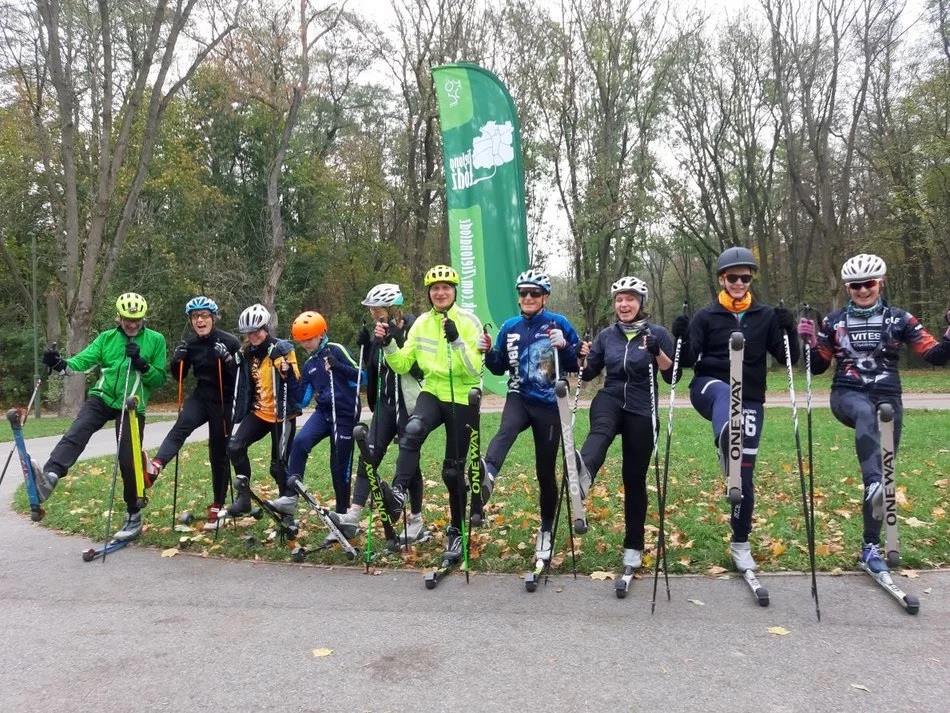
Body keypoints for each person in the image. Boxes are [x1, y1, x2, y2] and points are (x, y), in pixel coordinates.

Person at [797, 254, 950, 574]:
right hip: (847, 396)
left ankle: (870, 548)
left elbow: (934, 356)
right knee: (874, 457)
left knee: (885, 472)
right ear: (848, 288)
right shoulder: (834, 321)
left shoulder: (900, 319)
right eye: (855, 286)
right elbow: (818, 365)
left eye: (868, 284)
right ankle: (875, 485)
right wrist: (808, 342)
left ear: (880, 283)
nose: (862, 290)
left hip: (889, 399)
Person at [675, 247, 799, 573]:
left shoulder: (765, 315)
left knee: (742, 479)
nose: (740, 283)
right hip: (709, 388)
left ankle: (740, 543)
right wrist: (681, 334)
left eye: (746, 277)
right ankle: (724, 443)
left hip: (751, 398)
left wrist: (791, 330)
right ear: (722, 279)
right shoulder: (706, 315)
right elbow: (686, 359)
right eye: (733, 277)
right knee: (726, 393)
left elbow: (789, 360)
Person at [35, 292, 167, 540]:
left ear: (143, 318)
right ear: (119, 317)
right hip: (103, 398)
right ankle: (50, 476)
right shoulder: (106, 339)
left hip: (131, 403)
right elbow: (82, 361)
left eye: (137, 319)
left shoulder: (155, 340)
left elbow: (159, 378)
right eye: (127, 318)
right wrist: (60, 364)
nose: (132, 323)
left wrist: (141, 363)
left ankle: (133, 514)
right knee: (78, 431)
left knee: (129, 460)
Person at [378, 265, 482, 564]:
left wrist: (458, 341)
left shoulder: (468, 321)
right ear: (429, 293)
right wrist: (388, 345)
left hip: (463, 397)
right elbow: (402, 364)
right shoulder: (421, 323)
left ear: (454, 291)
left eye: (446, 287)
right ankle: (398, 495)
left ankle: (456, 529)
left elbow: (474, 369)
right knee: (412, 431)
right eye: (435, 289)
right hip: (433, 391)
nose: (440, 292)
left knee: (452, 471)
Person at [477, 269, 580, 562]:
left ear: (545, 297)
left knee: (545, 472)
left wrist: (566, 346)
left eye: (535, 293)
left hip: (549, 404)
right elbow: (498, 367)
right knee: (506, 429)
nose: (528, 298)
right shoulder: (510, 326)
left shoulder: (558, 322)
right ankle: (488, 475)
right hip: (519, 396)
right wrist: (486, 351)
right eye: (523, 293)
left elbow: (578, 363)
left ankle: (546, 531)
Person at [574, 277, 673, 571]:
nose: (624, 304)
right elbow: (589, 373)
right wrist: (581, 357)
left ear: (641, 303)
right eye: (619, 299)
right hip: (611, 396)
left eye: (630, 299)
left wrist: (657, 351)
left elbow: (672, 376)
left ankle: (633, 546)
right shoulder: (607, 335)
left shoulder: (658, 333)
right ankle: (584, 472)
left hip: (643, 404)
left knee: (633, 478)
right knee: (601, 429)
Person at [331, 284, 427, 543]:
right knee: (369, 454)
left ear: (392, 308)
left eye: (377, 309)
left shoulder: (412, 327)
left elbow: (418, 366)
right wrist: (369, 345)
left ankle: (416, 521)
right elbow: (374, 367)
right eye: (371, 309)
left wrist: (394, 337)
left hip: (409, 404)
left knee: (409, 461)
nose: (373, 313)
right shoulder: (377, 331)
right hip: (385, 404)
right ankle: (353, 513)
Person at [147, 296, 242, 531]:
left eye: (204, 316)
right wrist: (177, 361)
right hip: (201, 396)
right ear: (191, 320)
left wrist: (228, 359)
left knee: (218, 453)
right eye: (195, 316)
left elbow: (241, 377)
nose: (200, 320)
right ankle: (156, 465)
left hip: (224, 400)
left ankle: (218, 504)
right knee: (182, 425)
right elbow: (180, 377)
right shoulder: (190, 344)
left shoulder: (229, 341)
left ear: (213, 318)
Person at [279, 310, 363, 525]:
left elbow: (362, 377)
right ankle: (291, 496)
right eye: (302, 340)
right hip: (323, 413)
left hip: (344, 414)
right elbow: (303, 400)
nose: (306, 344)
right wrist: (288, 376)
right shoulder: (309, 365)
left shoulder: (336, 350)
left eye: (309, 338)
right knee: (299, 441)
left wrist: (338, 366)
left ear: (320, 333)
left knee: (339, 467)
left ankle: (342, 516)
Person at [221, 303, 301, 519]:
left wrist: (283, 367)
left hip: (282, 414)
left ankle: (287, 509)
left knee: (278, 467)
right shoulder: (247, 352)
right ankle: (243, 498)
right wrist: (229, 360)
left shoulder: (284, 348)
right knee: (235, 447)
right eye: (248, 332)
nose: (253, 335)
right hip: (259, 413)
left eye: (257, 330)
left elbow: (296, 385)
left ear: (266, 328)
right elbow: (238, 379)